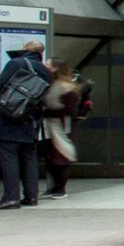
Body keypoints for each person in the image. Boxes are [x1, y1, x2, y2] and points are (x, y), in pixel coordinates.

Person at [0, 39, 51, 210]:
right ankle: (31, 196)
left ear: (26, 48)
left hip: (11, 118)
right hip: (32, 120)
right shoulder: (45, 71)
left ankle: (11, 198)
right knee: (29, 158)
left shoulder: (17, 63)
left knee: (9, 157)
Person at [40, 61, 91, 199]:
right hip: (51, 126)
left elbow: (69, 110)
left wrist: (47, 112)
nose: (46, 68)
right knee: (51, 158)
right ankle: (55, 187)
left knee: (61, 157)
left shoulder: (67, 88)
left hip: (63, 127)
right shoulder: (54, 85)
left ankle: (60, 188)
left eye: (49, 66)